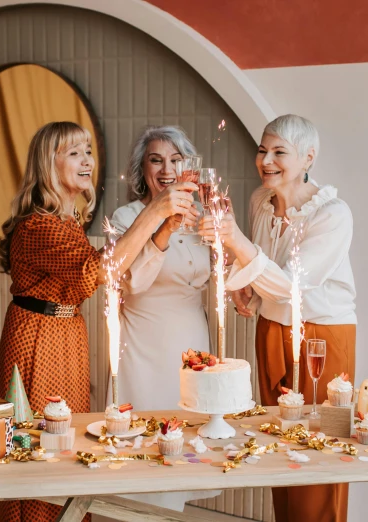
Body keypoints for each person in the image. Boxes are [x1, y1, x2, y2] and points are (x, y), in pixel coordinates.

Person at [0, 121, 195, 522]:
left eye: (88, 151)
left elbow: (96, 273)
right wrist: (155, 211)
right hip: (38, 338)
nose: (87, 161)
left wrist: (164, 223)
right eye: (74, 153)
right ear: (48, 165)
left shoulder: (67, 222)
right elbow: (96, 274)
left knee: (67, 448)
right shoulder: (38, 226)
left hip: (67, 334)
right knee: (40, 449)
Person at [200, 114, 357, 522]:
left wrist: (233, 237)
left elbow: (291, 287)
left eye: (278, 152)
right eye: (262, 150)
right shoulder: (258, 201)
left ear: (308, 157)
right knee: (280, 443)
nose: (265, 160)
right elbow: (260, 271)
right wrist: (239, 285)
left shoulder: (333, 214)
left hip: (322, 337)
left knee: (318, 449)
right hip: (270, 330)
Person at [105, 126, 217, 511]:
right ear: (143, 170)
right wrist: (165, 227)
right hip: (144, 342)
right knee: (146, 447)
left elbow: (217, 279)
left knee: (184, 446)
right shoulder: (127, 216)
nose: (167, 169)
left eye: (175, 159)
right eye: (156, 160)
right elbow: (133, 283)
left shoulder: (202, 216)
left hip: (191, 340)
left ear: (189, 167)